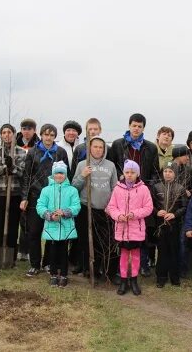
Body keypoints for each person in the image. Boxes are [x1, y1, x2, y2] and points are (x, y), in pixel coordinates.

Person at [107, 113, 159, 277]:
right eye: (134, 125)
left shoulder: (150, 147)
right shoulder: (117, 144)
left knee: (141, 230)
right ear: (129, 126)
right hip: (122, 192)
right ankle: (118, 267)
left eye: (140, 126)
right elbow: (111, 167)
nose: (136, 128)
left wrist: (148, 188)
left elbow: (155, 171)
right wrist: (119, 179)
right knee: (121, 231)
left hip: (141, 192)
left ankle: (142, 265)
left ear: (143, 128)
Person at [20, 124, 70, 277]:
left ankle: (48, 262)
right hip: (36, 197)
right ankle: (35, 264)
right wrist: (24, 197)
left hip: (55, 198)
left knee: (51, 232)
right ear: (41, 135)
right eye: (46, 134)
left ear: (55, 136)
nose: (48, 138)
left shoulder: (60, 152)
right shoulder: (33, 152)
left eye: (52, 135)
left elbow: (66, 174)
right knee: (34, 232)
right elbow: (27, 176)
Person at [71, 136, 119, 282]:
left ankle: (105, 270)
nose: (98, 149)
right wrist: (82, 176)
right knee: (86, 241)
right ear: (89, 148)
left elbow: (115, 188)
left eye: (101, 147)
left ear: (104, 150)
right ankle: (89, 269)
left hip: (105, 210)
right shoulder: (82, 165)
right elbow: (74, 187)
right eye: (95, 146)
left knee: (105, 241)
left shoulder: (110, 165)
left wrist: (111, 207)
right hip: (86, 208)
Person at [106, 160, 154, 296]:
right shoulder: (117, 188)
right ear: (123, 173)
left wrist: (134, 214)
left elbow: (148, 208)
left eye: (132, 172)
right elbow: (111, 207)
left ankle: (133, 280)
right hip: (121, 230)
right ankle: (123, 281)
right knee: (123, 256)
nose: (129, 175)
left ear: (137, 174)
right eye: (127, 172)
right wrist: (118, 216)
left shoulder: (144, 189)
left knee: (135, 256)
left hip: (136, 230)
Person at [0, 124, 26, 266]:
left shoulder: (21, 152)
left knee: (13, 226)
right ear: (1, 135)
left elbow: (23, 174)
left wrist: (13, 167)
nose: (7, 135)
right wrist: (2, 169)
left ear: (14, 134)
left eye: (9, 132)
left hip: (14, 194)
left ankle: (11, 258)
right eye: (4, 132)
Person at [36, 161, 81, 288]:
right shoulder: (46, 190)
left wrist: (65, 212)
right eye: (57, 173)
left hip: (66, 227)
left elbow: (76, 206)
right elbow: (40, 206)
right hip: (52, 226)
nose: (59, 176)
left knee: (63, 252)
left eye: (61, 173)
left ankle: (64, 275)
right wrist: (50, 215)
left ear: (65, 175)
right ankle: (53, 274)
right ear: (53, 174)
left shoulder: (72, 190)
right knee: (52, 251)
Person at [68, 118, 104, 270]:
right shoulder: (80, 149)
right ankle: (79, 262)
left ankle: (96, 264)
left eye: (95, 129)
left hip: (98, 197)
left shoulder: (104, 147)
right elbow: (75, 174)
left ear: (99, 130)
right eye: (90, 129)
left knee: (97, 235)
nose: (93, 131)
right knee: (81, 232)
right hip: (82, 195)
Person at [151, 162, 187, 287]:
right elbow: (151, 205)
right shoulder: (156, 187)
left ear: (175, 174)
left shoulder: (180, 188)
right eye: (165, 171)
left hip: (174, 225)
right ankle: (161, 277)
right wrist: (157, 212)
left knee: (174, 250)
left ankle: (174, 276)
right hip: (160, 225)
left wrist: (174, 214)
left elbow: (184, 207)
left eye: (170, 171)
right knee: (162, 250)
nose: (167, 174)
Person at [15, 118, 39, 261]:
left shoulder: (38, 145)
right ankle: (19, 248)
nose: (26, 131)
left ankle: (28, 249)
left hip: (30, 186)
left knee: (28, 220)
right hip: (16, 186)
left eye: (29, 129)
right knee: (18, 219)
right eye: (24, 128)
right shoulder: (15, 142)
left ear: (34, 130)